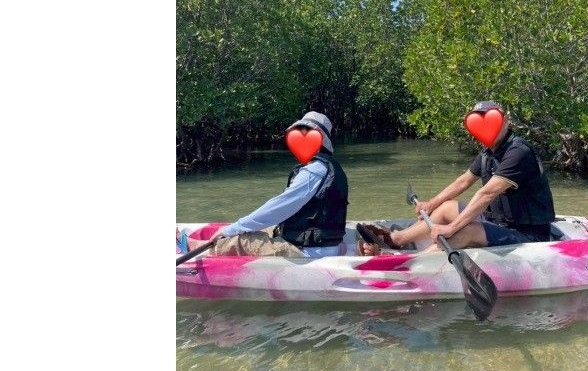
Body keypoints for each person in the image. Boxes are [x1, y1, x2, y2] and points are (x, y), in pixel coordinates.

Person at [357, 101, 555, 255]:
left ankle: (411, 264)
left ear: (505, 121)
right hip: (498, 222)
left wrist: (451, 229)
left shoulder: (518, 152)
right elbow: (463, 181)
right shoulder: (488, 153)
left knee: (465, 231)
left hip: (528, 234)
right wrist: (431, 204)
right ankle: (395, 239)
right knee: (446, 207)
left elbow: (487, 193)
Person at [179, 111, 350, 258]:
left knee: (240, 239)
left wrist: (233, 229)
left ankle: (193, 248)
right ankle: (206, 243)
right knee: (263, 230)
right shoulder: (330, 167)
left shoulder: (314, 171)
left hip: (308, 251)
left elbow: (280, 207)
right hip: (321, 245)